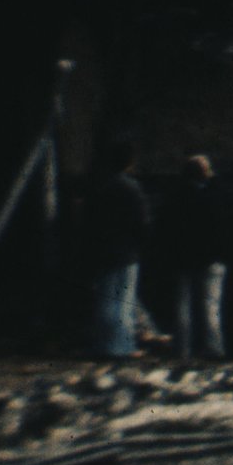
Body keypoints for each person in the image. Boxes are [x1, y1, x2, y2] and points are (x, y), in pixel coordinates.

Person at [80, 140, 152, 359]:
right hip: (126, 253)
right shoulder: (131, 188)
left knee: (104, 301)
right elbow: (143, 223)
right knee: (123, 301)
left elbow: (87, 220)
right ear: (129, 162)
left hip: (101, 251)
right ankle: (121, 346)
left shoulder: (98, 187)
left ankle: (103, 344)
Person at [161, 154, 230, 361]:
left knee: (183, 306)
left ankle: (183, 350)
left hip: (184, 259)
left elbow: (169, 230)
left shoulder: (175, 198)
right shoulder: (214, 198)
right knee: (210, 306)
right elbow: (221, 230)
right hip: (210, 259)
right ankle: (214, 348)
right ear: (205, 174)